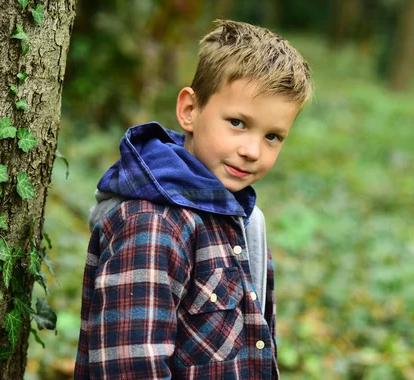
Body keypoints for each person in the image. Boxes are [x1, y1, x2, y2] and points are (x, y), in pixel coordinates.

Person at [74, 19, 313, 379]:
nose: (252, 151)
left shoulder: (243, 217)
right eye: (237, 122)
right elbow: (133, 367)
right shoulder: (152, 224)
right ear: (189, 110)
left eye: (273, 136)